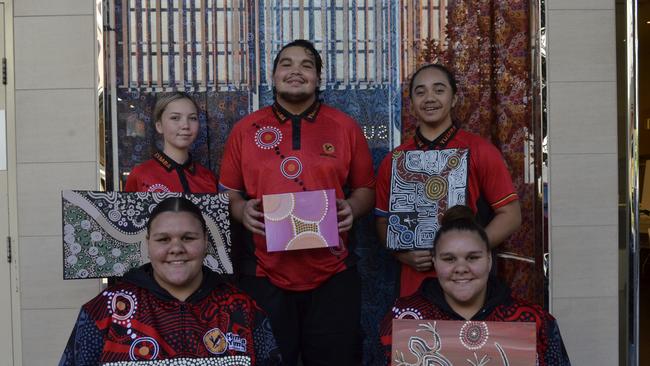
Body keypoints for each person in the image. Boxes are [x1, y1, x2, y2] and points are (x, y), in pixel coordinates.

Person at [219, 39, 375, 365]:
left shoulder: (345, 127)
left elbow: (365, 190)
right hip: (264, 274)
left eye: (306, 65)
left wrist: (353, 207)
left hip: (334, 273)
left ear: (318, 78)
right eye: (286, 64)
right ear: (273, 76)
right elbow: (229, 193)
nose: (295, 71)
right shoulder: (245, 130)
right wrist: (240, 210)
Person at [59, 197, 282, 365]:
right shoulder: (107, 310)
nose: (176, 248)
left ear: (205, 242)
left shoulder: (242, 308)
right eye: (163, 239)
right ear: (149, 244)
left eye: (188, 238)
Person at [375, 63, 522, 297]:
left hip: (468, 281)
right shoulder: (394, 161)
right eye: (420, 92)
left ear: (454, 99)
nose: (429, 98)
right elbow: (383, 222)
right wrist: (402, 254)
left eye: (439, 90)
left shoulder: (480, 150)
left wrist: (469, 250)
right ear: (411, 103)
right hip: (414, 284)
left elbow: (511, 215)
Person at [379, 205, 571, 365]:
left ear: (489, 260)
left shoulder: (534, 321)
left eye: (472, 257)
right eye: (449, 259)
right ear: (435, 262)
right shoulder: (403, 318)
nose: (461, 268)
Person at [125, 92, 217, 193]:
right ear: (159, 126)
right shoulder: (140, 175)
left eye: (192, 118)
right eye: (175, 118)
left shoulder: (209, 178)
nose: (185, 125)